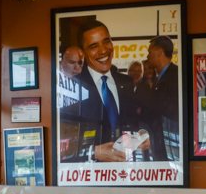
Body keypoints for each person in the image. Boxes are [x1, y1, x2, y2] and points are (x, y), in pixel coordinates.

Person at [60, 19, 139, 162]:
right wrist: (93, 152)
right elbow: (62, 143)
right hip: (91, 175)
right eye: (94, 46)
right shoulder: (73, 87)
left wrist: (142, 136)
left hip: (127, 170)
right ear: (83, 53)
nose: (103, 50)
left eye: (106, 41)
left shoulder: (126, 82)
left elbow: (136, 123)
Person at [143, 35, 179, 161]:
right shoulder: (159, 78)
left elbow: (173, 110)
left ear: (159, 53)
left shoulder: (176, 76)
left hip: (170, 141)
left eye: (150, 52)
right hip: (160, 140)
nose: (147, 56)